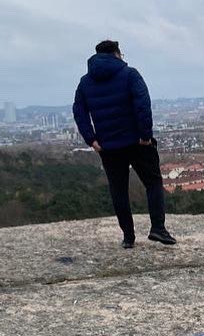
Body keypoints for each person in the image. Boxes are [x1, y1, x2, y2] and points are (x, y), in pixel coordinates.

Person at [73, 40, 176, 248]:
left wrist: (92, 140)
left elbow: (79, 112)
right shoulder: (129, 74)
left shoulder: (85, 82)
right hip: (137, 141)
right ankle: (158, 228)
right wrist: (145, 135)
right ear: (117, 54)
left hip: (108, 146)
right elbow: (143, 104)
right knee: (153, 182)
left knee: (118, 191)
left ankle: (128, 238)